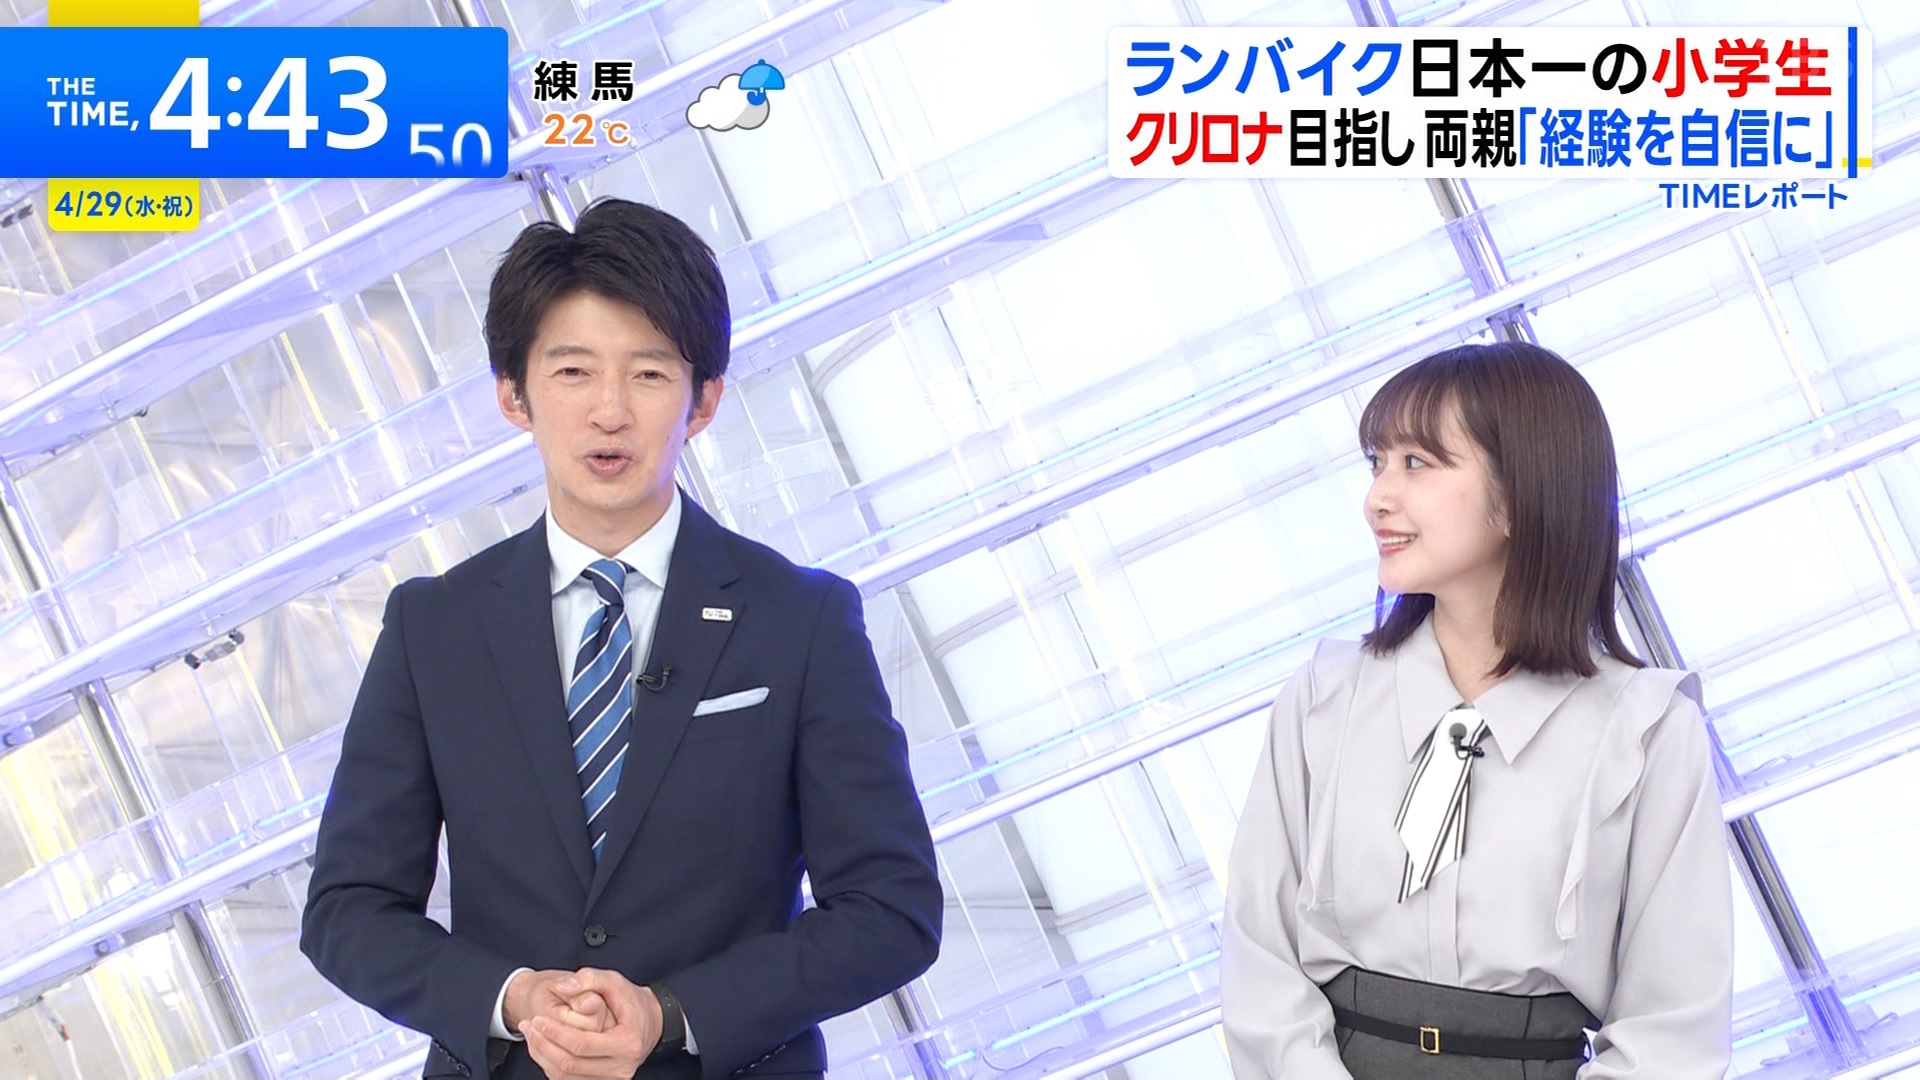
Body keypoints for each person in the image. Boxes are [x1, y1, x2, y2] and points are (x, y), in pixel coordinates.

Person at [301, 198, 943, 1080]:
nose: (610, 411)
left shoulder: (801, 619)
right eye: (572, 372)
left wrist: (672, 1015)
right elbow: (346, 908)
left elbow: (891, 907)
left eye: (648, 374)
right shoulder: (432, 627)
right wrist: (511, 1000)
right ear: (513, 395)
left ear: (703, 399)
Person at [1220, 341, 1733, 1078]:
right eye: (1377, 463)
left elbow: (1672, 1029)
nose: (1377, 498)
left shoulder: (1646, 731)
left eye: (1416, 463)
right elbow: (1260, 960)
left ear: (1520, 494)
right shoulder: (1323, 699)